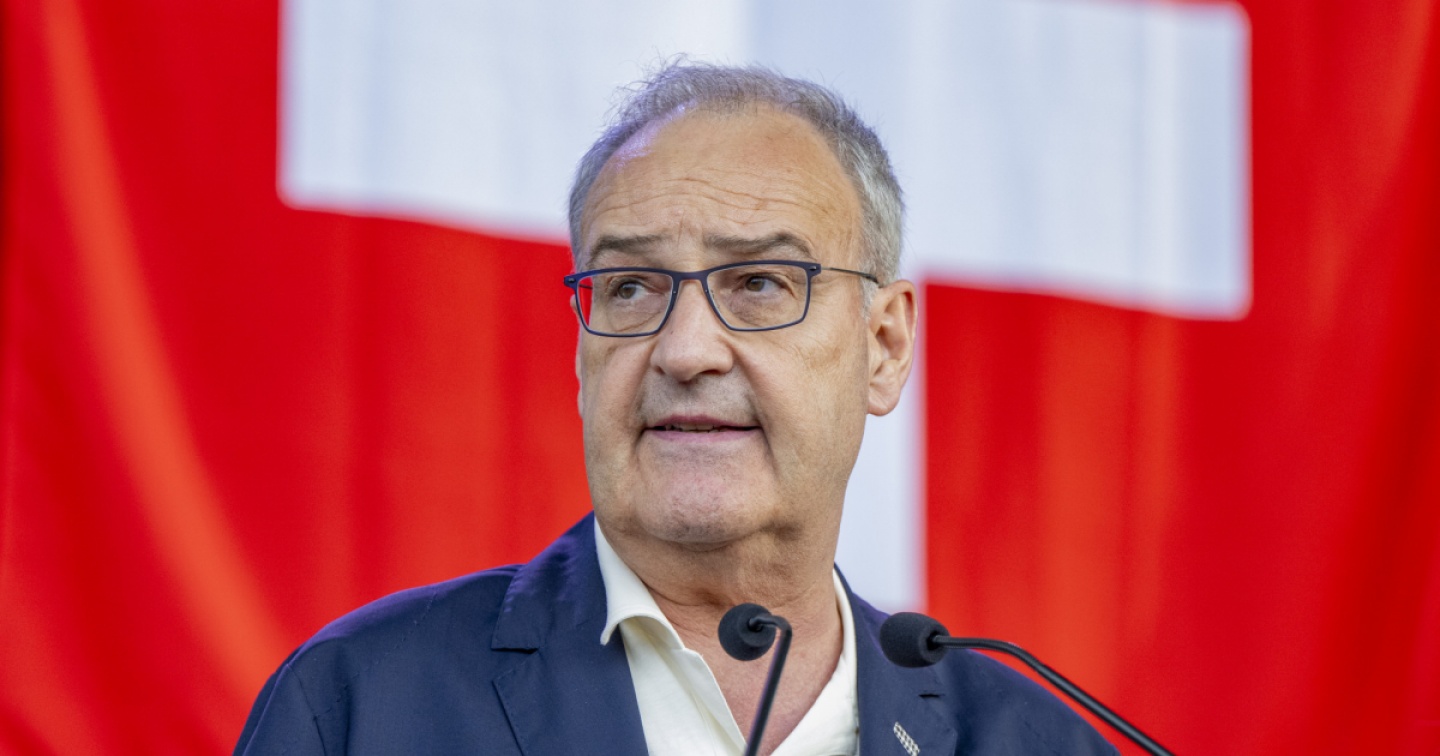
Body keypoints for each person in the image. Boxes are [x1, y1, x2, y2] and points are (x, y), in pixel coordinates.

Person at [235, 62, 1116, 755]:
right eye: (630, 287)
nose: (686, 350)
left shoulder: (1035, 741)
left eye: (761, 282)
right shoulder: (359, 705)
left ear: (883, 347)